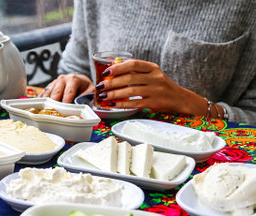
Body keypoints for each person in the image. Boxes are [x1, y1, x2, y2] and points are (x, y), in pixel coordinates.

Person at [39, 0, 256, 125]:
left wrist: (191, 104)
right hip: (103, 153)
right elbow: (76, 68)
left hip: (206, 166)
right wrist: (74, 82)